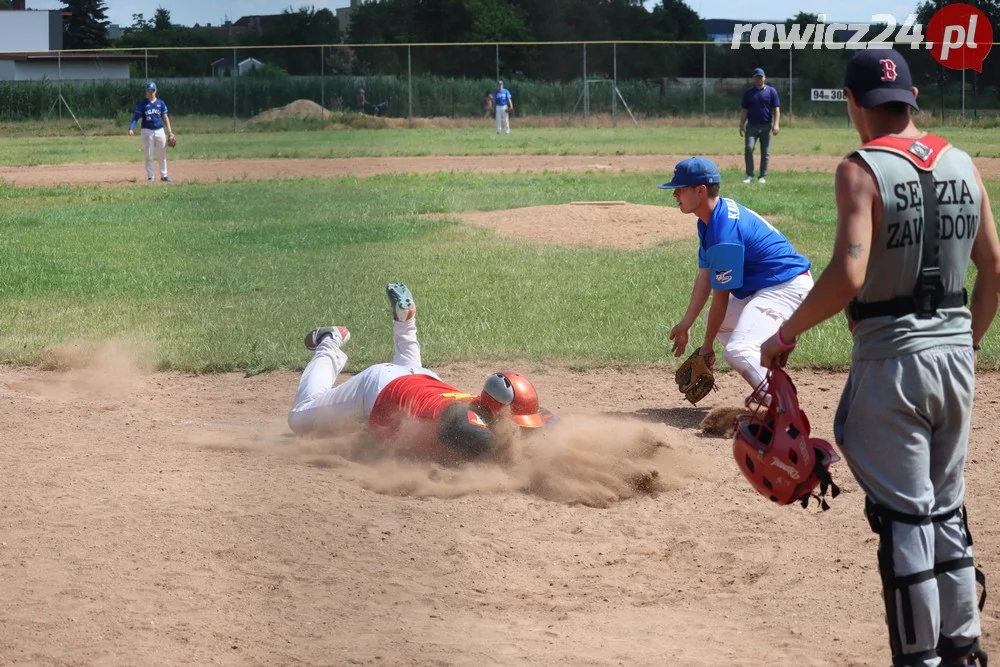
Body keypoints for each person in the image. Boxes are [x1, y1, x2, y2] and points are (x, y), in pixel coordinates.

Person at [760, 49, 1000, 667]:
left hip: (893, 364)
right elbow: (995, 267)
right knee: (944, 506)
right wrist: (967, 342)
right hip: (955, 362)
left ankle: (918, 658)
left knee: (904, 520)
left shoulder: (859, 169)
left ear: (852, 103)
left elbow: (849, 271)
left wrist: (785, 334)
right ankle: (964, 648)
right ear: (911, 99)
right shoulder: (964, 163)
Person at [288, 282, 553, 461]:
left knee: (408, 367)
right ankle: (330, 341)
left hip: (420, 378)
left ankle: (406, 321)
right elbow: (481, 442)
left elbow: (549, 420)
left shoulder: (489, 405)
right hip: (379, 387)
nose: (518, 426)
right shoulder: (461, 420)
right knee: (299, 418)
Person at [661, 156, 813, 395]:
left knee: (737, 350)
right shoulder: (709, 220)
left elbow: (721, 299)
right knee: (719, 324)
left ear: (700, 190)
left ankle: (780, 407)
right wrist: (686, 323)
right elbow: (705, 278)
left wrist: (706, 350)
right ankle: (771, 369)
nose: (674, 195)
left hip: (786, 288)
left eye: (679, 189)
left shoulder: (724, 233)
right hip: (769, 287)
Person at [128, 81, 174, 183]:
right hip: (146, 131)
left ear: (156, 91)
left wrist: (170, 132)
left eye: (152, 90)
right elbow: (136, 117)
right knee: (149, 155)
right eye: (148, 90)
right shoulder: (142, 104)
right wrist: (131, 127)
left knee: (162, 154)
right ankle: (151, 177)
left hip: (159, 131)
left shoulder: (160, 103)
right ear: (146, 91)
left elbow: (165, 117)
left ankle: (164, 175)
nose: (150, 92)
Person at [740, 67, 780, 184]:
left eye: (760, 77)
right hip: (752, 125)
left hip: (766, 126)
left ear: (764, 78)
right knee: (749, 148)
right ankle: (749, 175)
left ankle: (762, 176)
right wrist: (742, 124)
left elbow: (776, 109)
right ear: (754, 79)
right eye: (757, 77)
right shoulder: (749, 93)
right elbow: (744, 110)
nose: (759, 79)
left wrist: (776, 124)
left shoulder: (771, 92)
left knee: (765, 152)